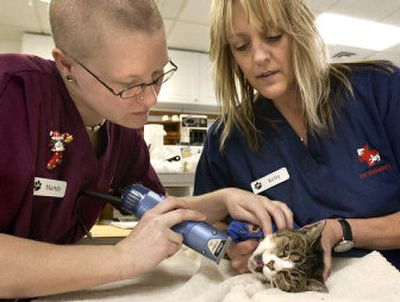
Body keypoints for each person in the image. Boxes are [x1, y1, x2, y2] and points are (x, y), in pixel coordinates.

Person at [0, 0, 294, 299]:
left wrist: (223, 200)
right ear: (67, 66)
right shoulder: (10, 94)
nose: (150, 99)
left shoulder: (121, 127)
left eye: (157, 76)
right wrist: (121, 259)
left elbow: (155, 207)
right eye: (129, 85)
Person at [194, 0, 400, 279]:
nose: (259, 57)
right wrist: (232, 249)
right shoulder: (227, 140)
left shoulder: (380, 90)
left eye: (273, 37)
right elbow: (203, 224)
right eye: (242, 46)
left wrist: (341, 230)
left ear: (300, 31)